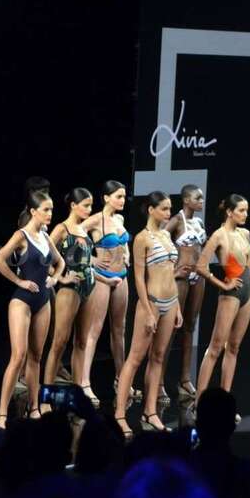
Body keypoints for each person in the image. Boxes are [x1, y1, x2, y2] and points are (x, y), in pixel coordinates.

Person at [0, 190, 67, 429]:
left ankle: (34, 407)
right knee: (19, 356)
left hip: (43, 301)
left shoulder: (45, 237)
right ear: (34, 211)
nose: (50, 213)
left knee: (36, 357)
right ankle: (2, 413)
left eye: (51, 209)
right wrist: (19, 281)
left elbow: (60, 262)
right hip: (22, 301)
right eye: (46, 209)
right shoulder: (21, 235)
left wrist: (55, 278)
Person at [114, 191, 184, 438]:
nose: (168, 213)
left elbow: (170, 273)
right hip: (151, 303)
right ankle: (119, 415)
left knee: (158, 357)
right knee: (135, 358)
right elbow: (138, 278)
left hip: (171, 302)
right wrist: (147, 309)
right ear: (151, 210)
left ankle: (150, 412)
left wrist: (177, 307)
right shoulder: (142, 238)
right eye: (164, 208)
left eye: (170, 208)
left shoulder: (166, 235)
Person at [194, 194, 250, 421]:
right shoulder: (218, 236)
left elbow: (248, 258)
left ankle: (225, 404)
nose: (245, 214)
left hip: (249, 292)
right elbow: (201, 266)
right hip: (230, 294)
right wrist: (222, 284)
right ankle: (199, 403)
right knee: (215, 347)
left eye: (246, 210)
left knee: (234, 347)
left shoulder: (244, 233)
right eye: (241, 210)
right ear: (229, 212)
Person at [81, 180, 141, 406]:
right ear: (106, 198)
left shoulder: (119, 220)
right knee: (94, 330)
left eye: (124, 196)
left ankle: (120, 379)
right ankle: (84, 383)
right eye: (118, 196)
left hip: (122, 276)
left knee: (119, 330)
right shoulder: (95, 220)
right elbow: (73, 239)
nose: (122, 200)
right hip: (102, 278)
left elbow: (124, 243)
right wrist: (92, 259)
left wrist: (127, 254)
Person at [42, 188, 96, 395]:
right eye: (86, 205)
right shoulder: (61, 228)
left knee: (81, 342)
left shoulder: (84, 229)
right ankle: (46, 395)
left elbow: (86, 259)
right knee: (59, 342)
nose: (89, 210)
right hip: (69, 289)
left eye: (91, 206)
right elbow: (44, 259)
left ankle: (77, 392)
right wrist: (60, 277)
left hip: (89, 287)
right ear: (73, 205)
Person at [162, 184, 207, 402]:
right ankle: (158, 382)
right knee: (172, 327)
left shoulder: (198, 222)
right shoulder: (176, 221)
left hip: (198, 276)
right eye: (198, 198)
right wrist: (173, 270)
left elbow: (201, 249)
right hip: (180, 277)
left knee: (190, 326)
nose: (201, 201)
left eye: (202, 198)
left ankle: (185, 380)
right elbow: (158, 242)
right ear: (186, 200)